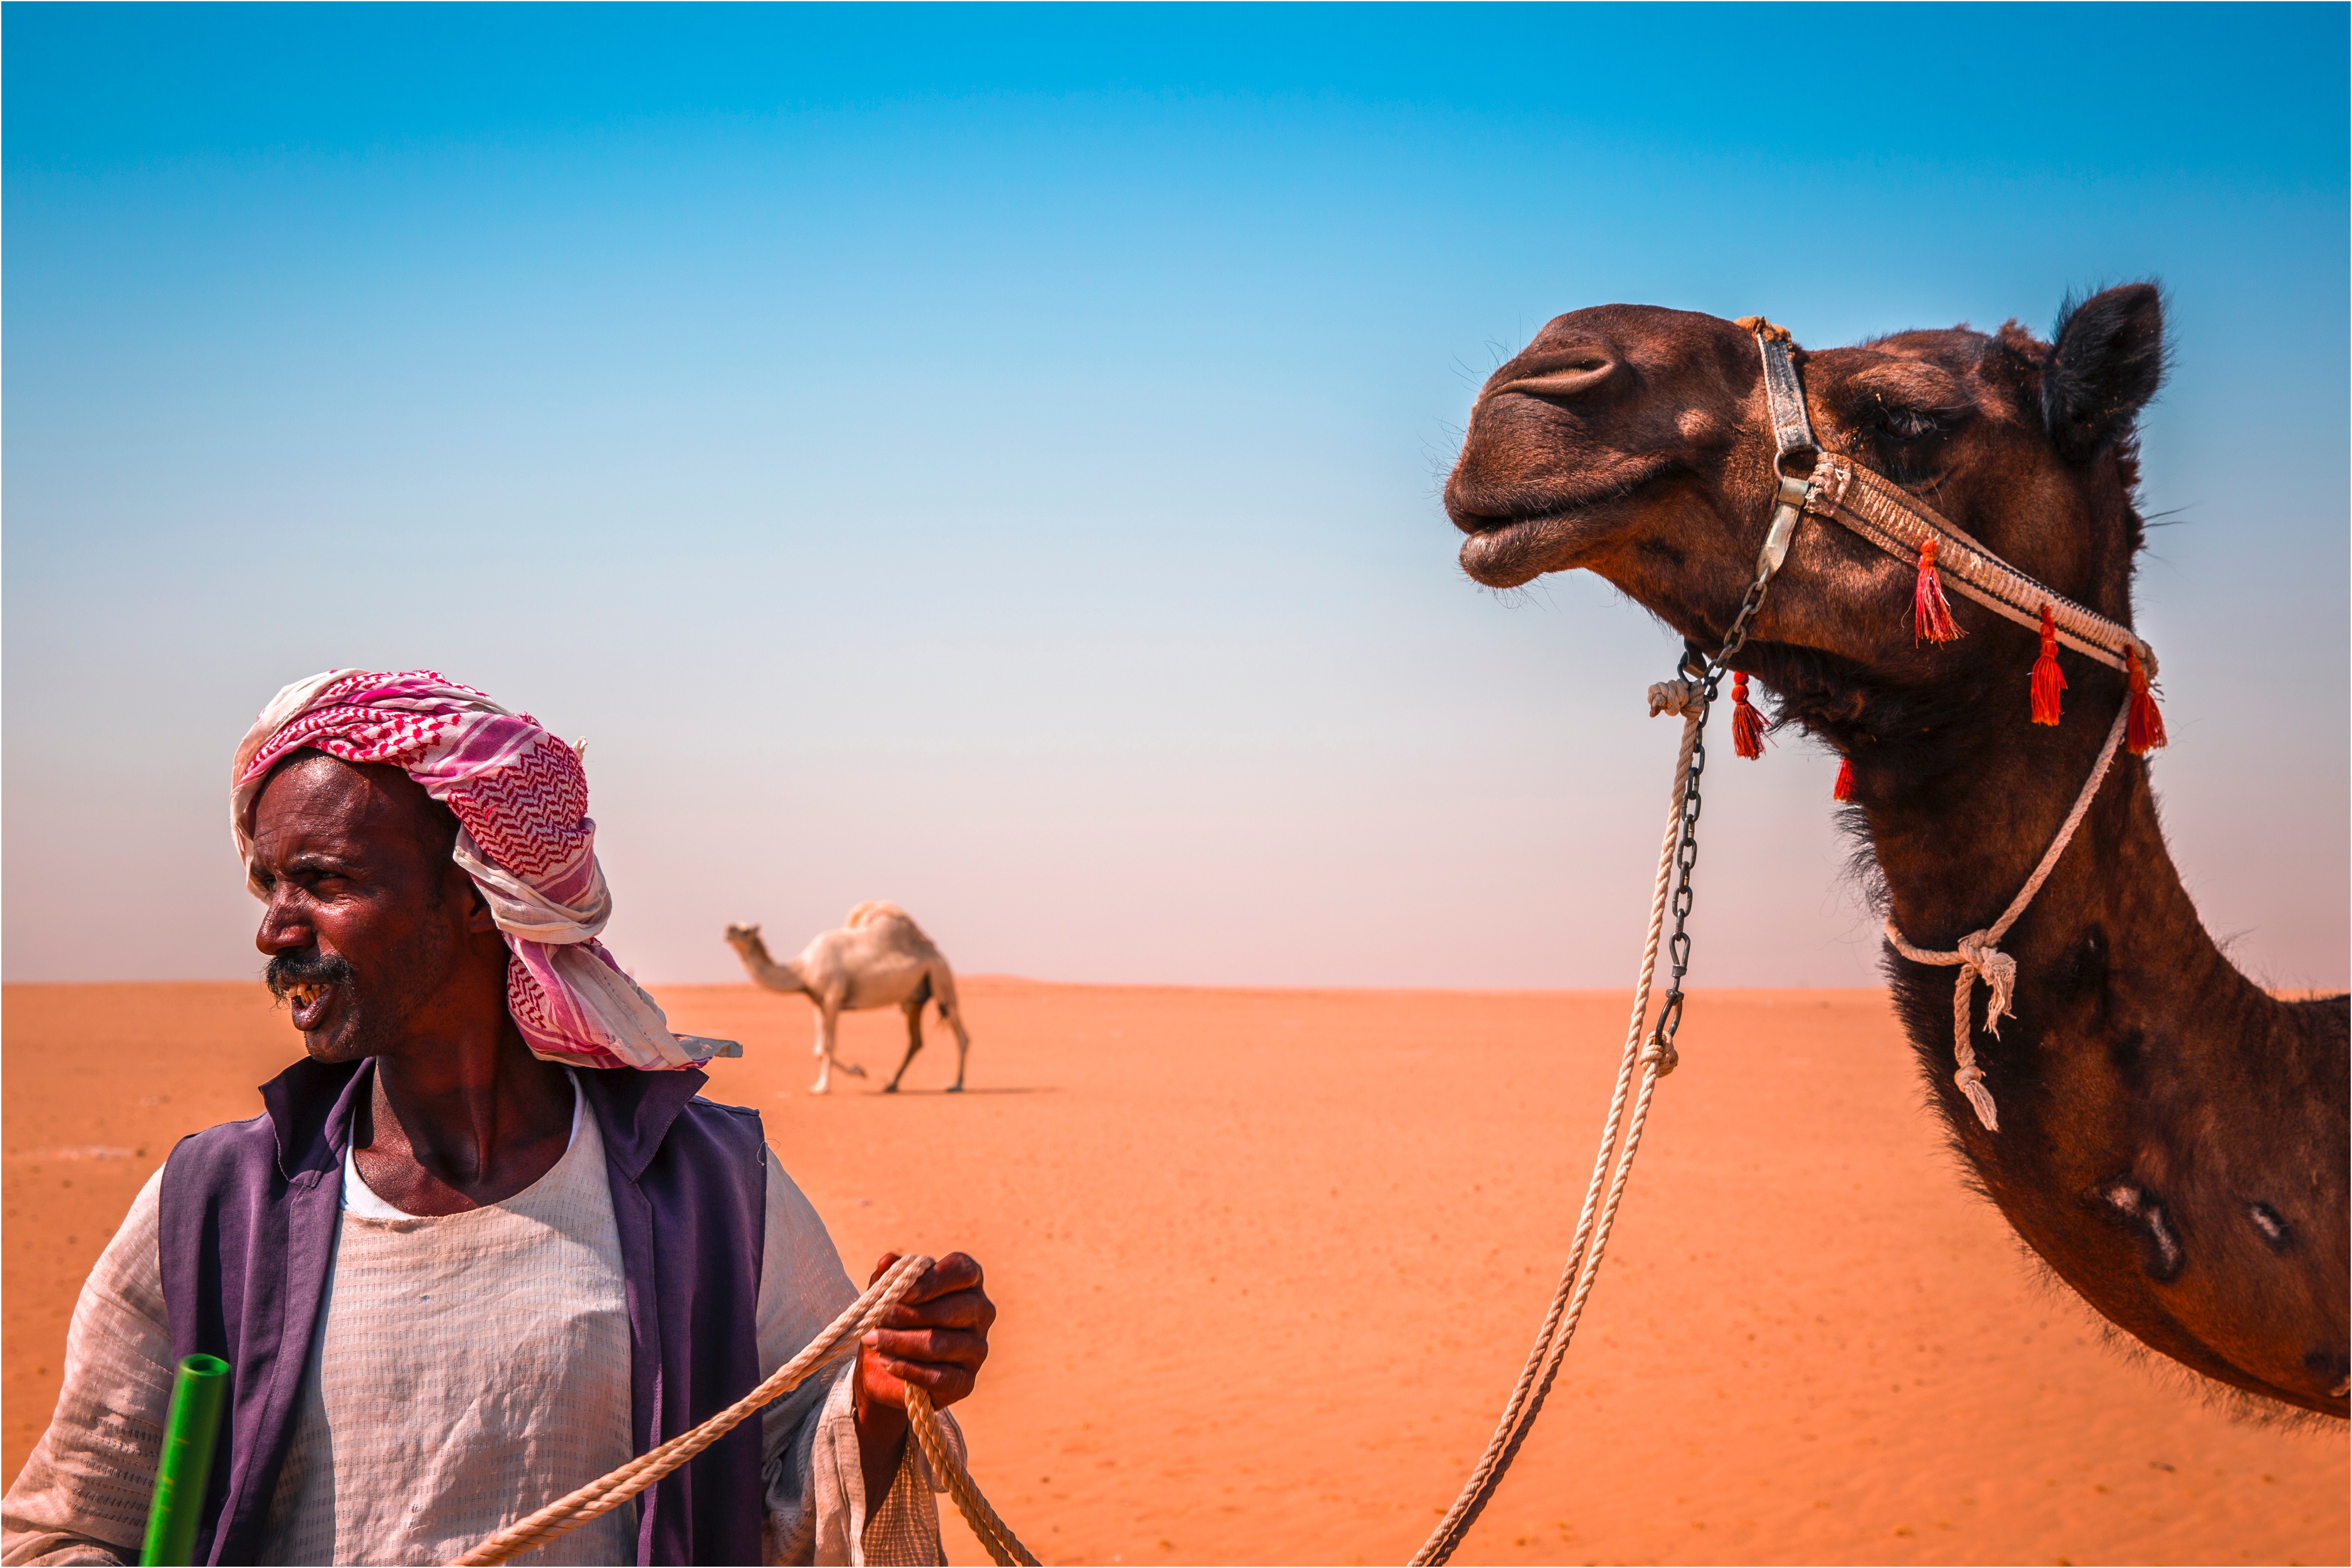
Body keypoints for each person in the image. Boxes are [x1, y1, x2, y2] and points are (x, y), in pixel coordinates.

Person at [3, 670, 995, 1566]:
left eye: (327, 881)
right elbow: (62, 1532)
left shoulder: (709, 1188)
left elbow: (791, 1515)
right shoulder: (217, 1210)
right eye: (269, 882)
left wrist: (877, 1393)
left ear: (479, 897)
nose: (273, 928)